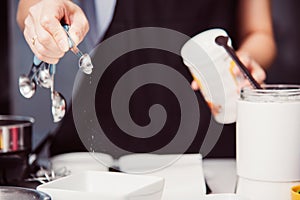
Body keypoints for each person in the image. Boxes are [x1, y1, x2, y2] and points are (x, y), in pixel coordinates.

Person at [16, 0, 276, 157]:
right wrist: (42, 16)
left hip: (211, 147)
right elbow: (32, 6)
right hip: (100, 146)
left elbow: (260, 32)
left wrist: (243, 60)